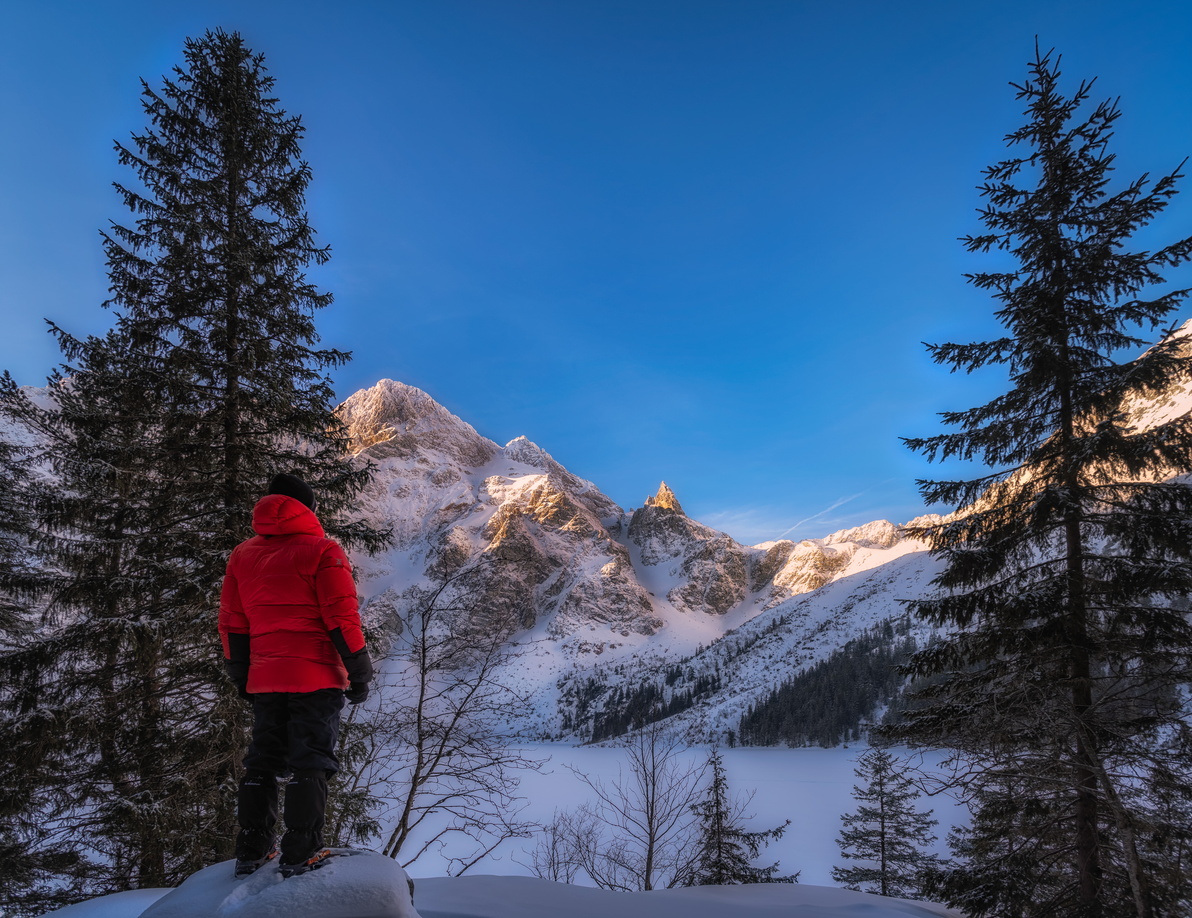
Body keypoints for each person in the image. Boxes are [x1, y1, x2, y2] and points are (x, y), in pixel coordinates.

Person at [218, 472, 374, 878]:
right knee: (311, 760)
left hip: (266, 675)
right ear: (308, 509)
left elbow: (232, 624)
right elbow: (342, 618)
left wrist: (242, 676)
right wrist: (359, 673)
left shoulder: (242, 555)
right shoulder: (323, 551)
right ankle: (302, 851)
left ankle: (252, 850)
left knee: (263, 761)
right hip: (316, 676)